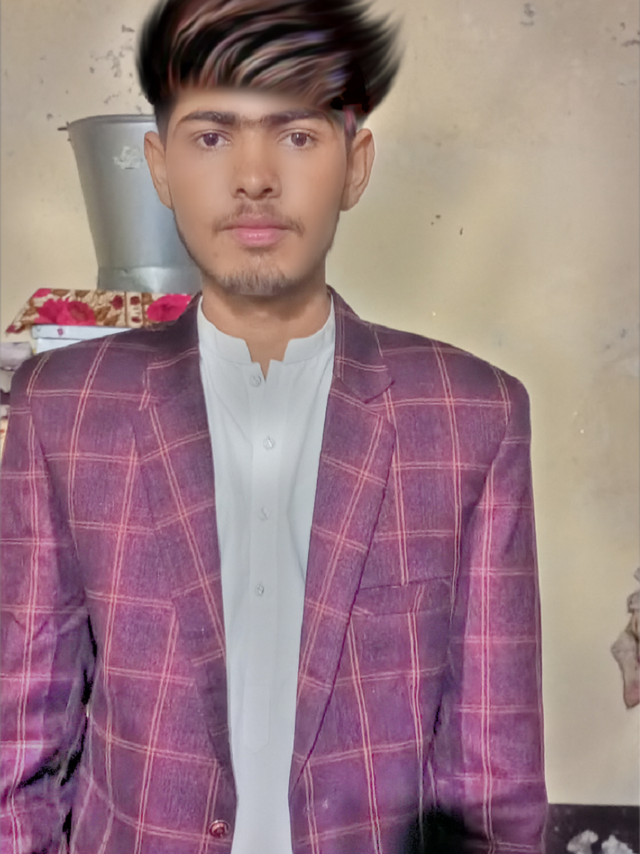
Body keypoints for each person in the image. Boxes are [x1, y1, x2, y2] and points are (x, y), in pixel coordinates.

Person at [0, 0, 547, 851]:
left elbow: (492, 786)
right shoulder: (66, 406)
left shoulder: (472, 414)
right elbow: (20, 744)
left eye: (296, 134)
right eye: (212, 136)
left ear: (355, 165)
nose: (254, 177)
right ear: (160, 166)